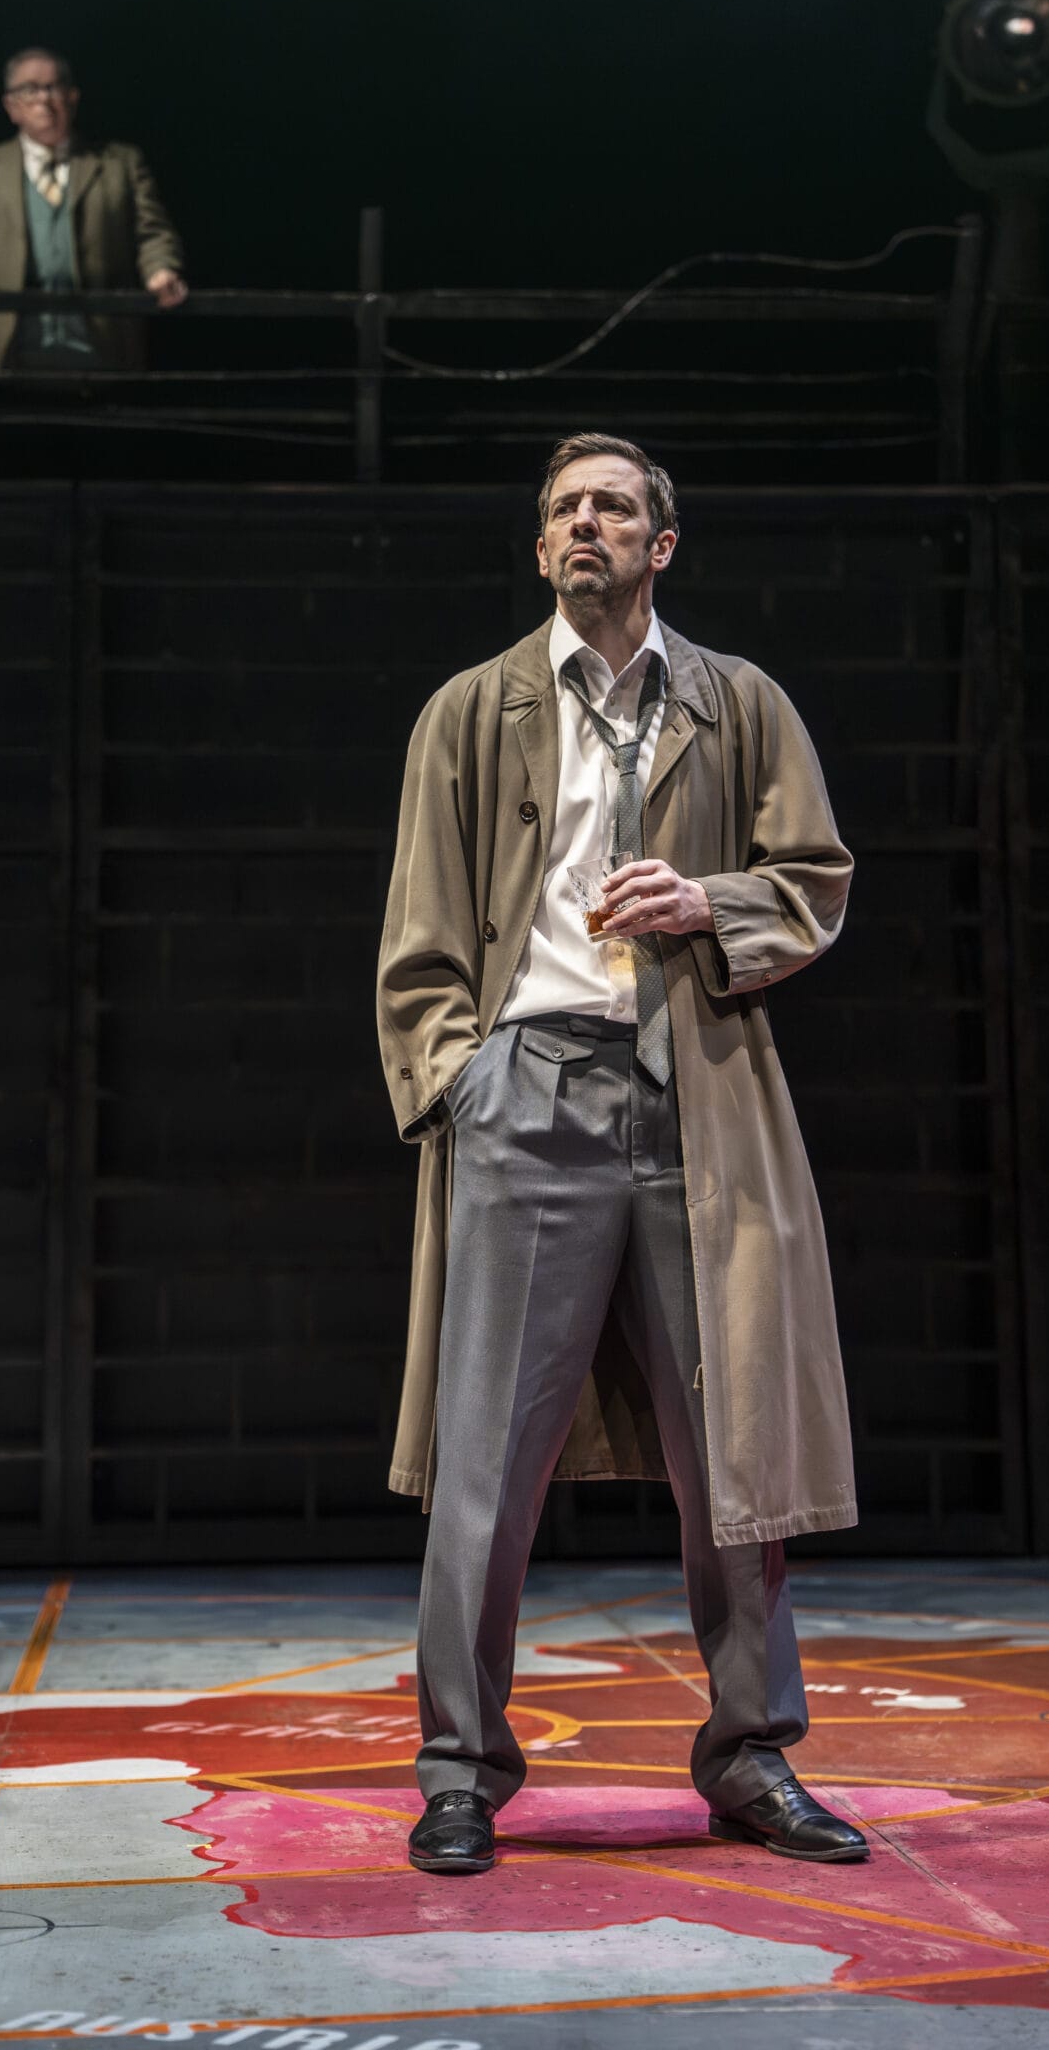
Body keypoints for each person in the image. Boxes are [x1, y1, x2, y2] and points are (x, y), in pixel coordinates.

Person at [377, 431, 865, 1877]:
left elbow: (813, 879)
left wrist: (704, 902)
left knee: (738, 1448)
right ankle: (460, 1769)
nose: (583, 523)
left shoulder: (737, 703)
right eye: (561, 509)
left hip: (695, 1093)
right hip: (528, 1095)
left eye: (613, 507)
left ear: (662, 544)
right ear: (540, 549)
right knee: (487, 1462)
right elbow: (416, 948)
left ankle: (747, 1758)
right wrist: (461, 1088)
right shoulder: (470, 712)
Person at [0, 48, 186, 373]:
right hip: (8, 361)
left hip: (103, 357)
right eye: (29, 90)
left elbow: (152, 233)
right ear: (11, 106)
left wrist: (162, 269)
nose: (43, 100)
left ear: (72, 97)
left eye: (53, 88)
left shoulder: (119, 164)